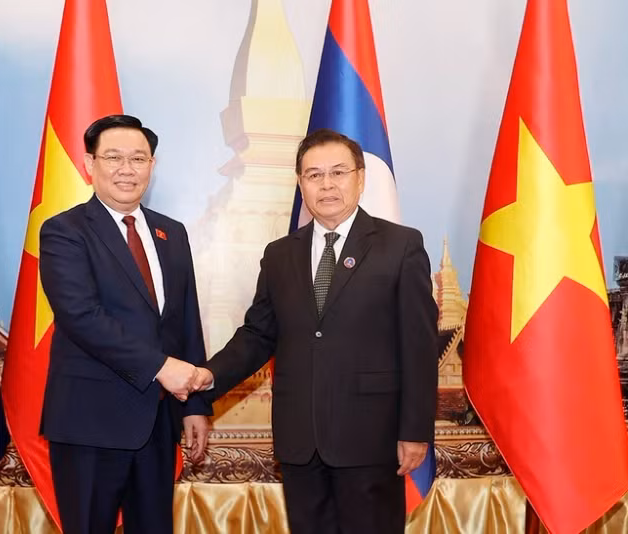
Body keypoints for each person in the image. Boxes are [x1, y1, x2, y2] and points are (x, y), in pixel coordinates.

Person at [193, 128, 438, 533]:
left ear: (360, 178)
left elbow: (418, 346)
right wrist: (209, 376)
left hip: (371, 440)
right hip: (300, 442)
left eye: (338, 172)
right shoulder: (280, 254)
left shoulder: (400, 246)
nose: (327, 184)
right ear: (301, 184)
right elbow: (257, 335)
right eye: (314, 175)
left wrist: (414, 430)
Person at [38, 114, 211, 534]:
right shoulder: (64, 231)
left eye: (138, 158)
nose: (126, 169)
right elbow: (82, 317)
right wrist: (163, 368)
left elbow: (185, 319)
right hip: (89, 423)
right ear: (88, 164)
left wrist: (195, 405)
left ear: (152, 165)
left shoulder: (173, 233)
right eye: (113, 157)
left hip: (156, 421)